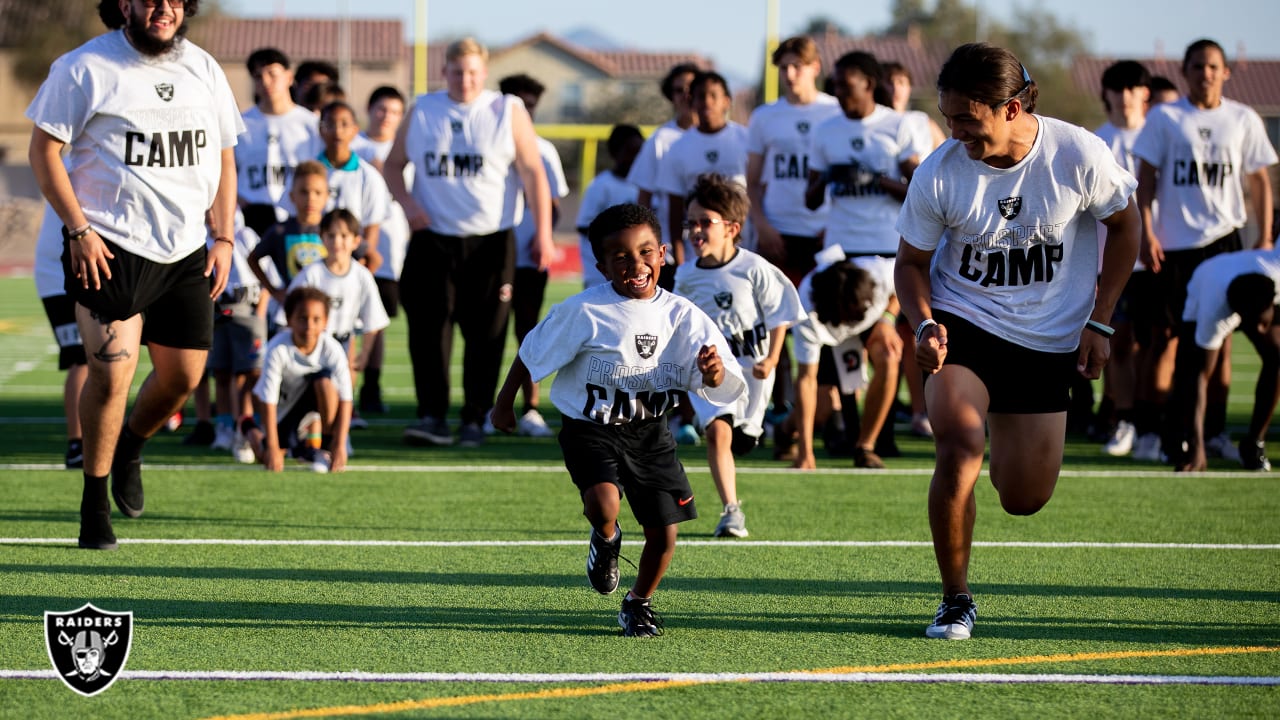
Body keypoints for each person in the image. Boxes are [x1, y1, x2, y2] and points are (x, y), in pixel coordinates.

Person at [895, 43, 1140, 639]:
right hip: (966, 325)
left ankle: (1005, 433)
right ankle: (956, 598)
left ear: (1011, 108)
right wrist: (924, 326)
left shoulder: (1077, 153)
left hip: (1048, 341)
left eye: (967, 120)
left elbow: (1127, 225)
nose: (955, 132)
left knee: (1024, 498)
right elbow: (909, 265)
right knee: (958, 442)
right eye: (949, 117)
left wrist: (1101, 321)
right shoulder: (940, 170)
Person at [27, 0, 243, 550]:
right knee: (110, 374)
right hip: (110, 246)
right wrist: (78, 230)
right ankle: (93, 504)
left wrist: (223, 236)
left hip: (187, 250)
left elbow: (222, 157)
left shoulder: (204, 68)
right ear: (124, 4)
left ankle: (130, 445)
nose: (163, 8)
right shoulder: (85, 67)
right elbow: (44, 150)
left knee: (183, 379)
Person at [490, 203, 745, 636]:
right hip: (591, 428)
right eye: (621, 257)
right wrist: (504, 402)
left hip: (651, 432)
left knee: (665, 534)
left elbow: (722, 377)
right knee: (603, 504)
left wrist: (713, 372)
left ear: (664, 253)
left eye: (646, 252)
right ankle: (606, 538)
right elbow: (532, 351)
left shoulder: (682, 316)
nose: (636, 265)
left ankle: (638, 603)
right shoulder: (586, 310)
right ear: (601, 265)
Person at [385, 37, 552, 448]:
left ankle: (475, 417)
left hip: (491, 241)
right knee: (428, 331)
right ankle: (432, 416)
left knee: (488, 334)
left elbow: (533, 172)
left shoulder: (505, 109)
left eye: (473, 72)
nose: (465, 80)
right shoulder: (423, 109)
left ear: (485, 72)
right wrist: (408, 205)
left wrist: (544, 235)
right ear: (444, 72)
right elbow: (392, 166)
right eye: (457, 72)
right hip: (433, 239)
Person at [1131, 39, 1277, 464]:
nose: (1206, 73)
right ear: (1185, 70)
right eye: (1197, 66)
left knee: (1223, 342)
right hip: (1175, 244)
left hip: (1227, 243)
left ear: (1226, 72)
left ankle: (1212, 433)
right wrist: (1148, 231)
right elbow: (1146, 176)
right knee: (1166, 339)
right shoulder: (1165, 117)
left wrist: (1263, 237)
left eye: (1213, 66)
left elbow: (1260, 181)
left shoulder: (1243, 118)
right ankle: (1154, 431)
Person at [806, 51, 928, 455]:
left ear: (870, 84)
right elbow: (809, 199)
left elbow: (921, 193)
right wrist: (827, 178)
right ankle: (853, 433)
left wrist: (876, 180)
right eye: (836, 84)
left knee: (886, 347)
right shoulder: (825, 131)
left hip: (887, 251)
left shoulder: (899, 125)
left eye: (846, 84)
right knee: (845, 350)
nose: (837, 92)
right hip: (840, 255)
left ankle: (878, 435)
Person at [674, 175, 803, 536]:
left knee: (742, 439)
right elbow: (682, 326)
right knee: (718, 433)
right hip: (711, 377)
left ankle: (764, 429)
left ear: (731, 228)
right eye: (691, 223)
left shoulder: (754, 268)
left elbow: (782, 314)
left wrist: (773, 359)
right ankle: (732, 512)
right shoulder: (685, 276)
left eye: (705, 223)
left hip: (755, 374)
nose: (696, 231)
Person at [498, 73, 571, 438]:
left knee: (529, 331)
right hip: (494, 254)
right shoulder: (490, 146)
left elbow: (554, 204)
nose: (525, 110)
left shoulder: (543, 150)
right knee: (489, 332)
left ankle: (530, 408)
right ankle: (483, 407)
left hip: (529, 256)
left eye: (531, 104)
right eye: (519, 102)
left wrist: (543, 234)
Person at [788, 245, 901, 470]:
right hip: (828, 335)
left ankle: (865, 447)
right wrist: (805, 452)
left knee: (889, 355)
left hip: (873, 324)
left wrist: (887, 319)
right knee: (821, 411)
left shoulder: (880, 272)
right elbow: (806, 380)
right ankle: (786, 431)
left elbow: (905, 279)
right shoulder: (806, 312)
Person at [1171, 247, 1280, 471]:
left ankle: (1254, 442)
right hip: (1205, 279)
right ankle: (1183, 437)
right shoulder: (1214, 310)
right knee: (1190, 366)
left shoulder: (1275, 271)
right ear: (1237, 315)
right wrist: (1196, 446)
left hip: (1250, 284)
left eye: (1263, 323)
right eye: (1253, 324)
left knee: (1276, 357)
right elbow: (1201, 377)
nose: (1260, 331)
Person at [746, 35, 841, 287]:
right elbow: (752, 181)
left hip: (824, 232)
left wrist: (835, 225)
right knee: (774, 318)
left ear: (815, 67)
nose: (789, 74)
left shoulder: (836, 111)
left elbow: (845, 175)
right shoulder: (764, 116)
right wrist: (762, 227)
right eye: (783, 67)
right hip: (777, 231)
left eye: (797, 66)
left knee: (823, 316)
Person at [1093, 60, 1153, 457]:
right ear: (1107, 95)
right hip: (1108, 259)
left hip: (1157, 257)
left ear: (1145, 93)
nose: (1125, 95)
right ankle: (1123, 418)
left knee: (1159, 343)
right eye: (1118, 88)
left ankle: (1154, 422)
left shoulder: (1159, 135)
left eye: (1133, 87)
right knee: (1117, 338)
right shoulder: (1096, 141)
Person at [286, 209, 390, 431]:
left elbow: (373, 320)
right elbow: (290, 312)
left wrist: (365, 353)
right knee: (320, 395)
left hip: (343, 343)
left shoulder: (361, 275)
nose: (337, 242)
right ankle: (320, 436)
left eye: (343, 236)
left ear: (356, 241)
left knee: (343, 394)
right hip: (314, 345)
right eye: (331, 236)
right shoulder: (311, 273)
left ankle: (338, 438)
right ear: (322, 238)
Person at [350, 86, 411, 415]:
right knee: (349, 320)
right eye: (381, 109)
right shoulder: (354, 146)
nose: (387, 117)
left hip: (392, 251)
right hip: (354, 246)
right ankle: (348, 386)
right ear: (369, 109)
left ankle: (371, 387)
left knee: (377, 321)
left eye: (395, 112)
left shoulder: (405, 149)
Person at [250, 286, 353, 473]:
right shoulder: (278, 348)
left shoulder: (332, 348)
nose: (309, 326)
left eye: (316, 319)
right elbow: (268, 401)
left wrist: (339, 444)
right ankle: (247, 427)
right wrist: (272, 447)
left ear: (326, 322)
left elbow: (346, 398)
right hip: (282, 411)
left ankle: (324, 447)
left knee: (324, 382)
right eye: (302, 319)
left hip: (311, 406)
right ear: (289, 320)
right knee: (265, 456)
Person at [656, 71, 751, 265]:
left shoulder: (746, 140)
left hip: (745, 244)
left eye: (713, 95)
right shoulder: (678, 147)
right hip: (697, 251)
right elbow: (674, 208)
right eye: (700, 96)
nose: (707, 102)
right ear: (692, 101)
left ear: (727, 101)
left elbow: (758, 190)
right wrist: (680, 259)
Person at [236, 47, 322, 237]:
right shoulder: (240, 125)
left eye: (272, 74)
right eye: (258, 76)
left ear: (289, 77)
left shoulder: (311, 125)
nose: (265, 81)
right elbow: (227, 173)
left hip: (297, 221)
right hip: (250, 223)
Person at [627, 63, 700, 287]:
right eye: (678, 90)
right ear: (671, 96)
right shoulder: (660, 139)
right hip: (670, 247)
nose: (685, 95)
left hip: (712, 244)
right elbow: (644, 198)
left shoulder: (728, 136)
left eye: (691, 87)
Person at [205, 210, 268, 464]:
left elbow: (266, 277)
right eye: (207, 211)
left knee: (250, 374)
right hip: (217, 314)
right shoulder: (198, 239)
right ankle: (225, 426)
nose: (212, 216)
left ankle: (249, 426)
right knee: (221, 373)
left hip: (247, 312)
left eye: (216, 209)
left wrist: (260, 316)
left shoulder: (245, 236)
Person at [33, 203, 88, 468]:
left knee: (100, 358)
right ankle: (77, 444)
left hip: (80, 269)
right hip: (61, 275)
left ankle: (92, 440)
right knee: (82, 358)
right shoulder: (73, 168)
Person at [248, 160, 330, 316]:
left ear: (327, 196)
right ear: (292, 196)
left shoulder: (334, 229)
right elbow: (252, 258)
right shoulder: (280, 231)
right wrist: (273, 291)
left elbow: (365, 258)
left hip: (329, 309)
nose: (311, 198)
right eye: (304, 192)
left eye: (318, 192)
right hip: (292, 312)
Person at [316, 100, 389, 274]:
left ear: (355, 130)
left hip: (351, 263)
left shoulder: (368, 176)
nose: (337, 131)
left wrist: (361, 267)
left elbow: (372, 228)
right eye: (330, 124)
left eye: (344, 124)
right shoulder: (309, 172)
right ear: (320, 129)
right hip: (314, 259)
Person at [576, 124, 644, 288]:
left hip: (634, 271)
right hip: (600, 275)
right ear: (615, 153)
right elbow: (584, 226)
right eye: (630, 152)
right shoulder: (600, 185)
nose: (636, 158)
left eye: (639, 152)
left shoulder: (646, 186)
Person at [879, 61, 947, 151]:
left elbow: (944, 154)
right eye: (889, 82)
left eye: (901, 82)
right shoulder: (871, 123)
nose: (895, 88)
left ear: (909, 87)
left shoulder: (924, 123)